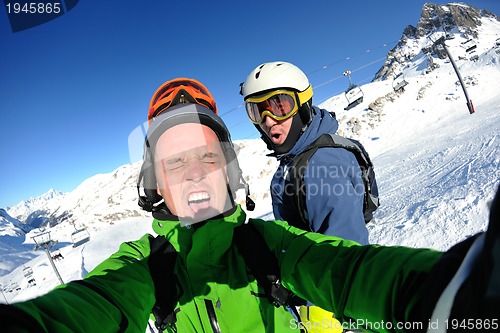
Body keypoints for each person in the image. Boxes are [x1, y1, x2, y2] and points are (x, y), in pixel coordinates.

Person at [1, 79, 498, 333]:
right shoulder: (145, 266)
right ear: (157, 187)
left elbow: (348, 270)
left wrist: (462, 292)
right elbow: (97, 304)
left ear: (228, 169)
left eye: (206, 157)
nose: (195, 172)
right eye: (175, 164)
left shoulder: (270, 244)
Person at [240, 61, 373, 331]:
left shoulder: (321, 163)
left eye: (279, 106)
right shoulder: (298, 155)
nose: (268, 120)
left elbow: (343, 255)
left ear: (302, 105)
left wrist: (322, 318)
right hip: (309, 283)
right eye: (257, 110)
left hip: (328, 304)